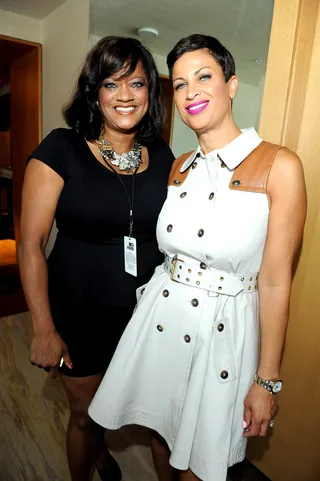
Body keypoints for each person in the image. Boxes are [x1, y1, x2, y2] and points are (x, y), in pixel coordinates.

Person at [88, 34, 307, 481]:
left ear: (232, 84)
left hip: (222, 335)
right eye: (182, 84)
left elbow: (275, 280)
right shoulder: (179, 166)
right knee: (161, 430)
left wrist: (266, 380)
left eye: (204, 77)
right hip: (163, 321)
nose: (191, 93)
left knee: (202, 460)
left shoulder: (279, 166)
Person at [19, 36, 174, 481]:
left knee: (151, 416)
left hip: (146, 316)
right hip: (80, 312)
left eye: (138, 83)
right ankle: (95, 462)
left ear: (151, 93)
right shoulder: (61, 148)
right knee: (85, 417)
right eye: (111, 83)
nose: (125, 95)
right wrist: (44, 328)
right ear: (94, 91)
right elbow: (31, 243)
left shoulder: (162, 157)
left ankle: (105, 454)